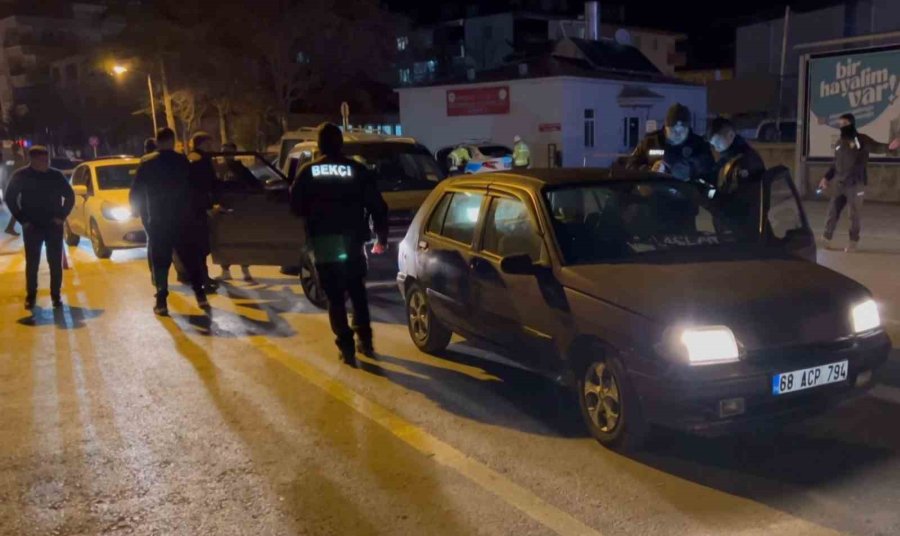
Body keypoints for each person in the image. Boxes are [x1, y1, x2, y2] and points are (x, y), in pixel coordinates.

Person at [290, 122, 389, 366]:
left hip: (324, 241)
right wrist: (381, 236)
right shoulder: (357, 169)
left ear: (319, 144)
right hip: (353, 239)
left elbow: (295, 207)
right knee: (357, 290)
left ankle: (346, 346)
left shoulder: (308, 171)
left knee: (334, 296)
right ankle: (365, 340)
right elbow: (377, 205)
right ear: (341, 144)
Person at [129, 127, 208, 315]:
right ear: (173, 141)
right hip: (182, 218)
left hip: (158, 219)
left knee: (160, 261)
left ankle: (162, 301)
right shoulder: (183, 161)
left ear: (157, 141)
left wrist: (135, 209)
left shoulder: (147, 162)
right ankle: (201, 295)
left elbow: (137, 190)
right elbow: (194, 188)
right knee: (190, 258)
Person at [4, 146, 75, 309]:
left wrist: (61, 216)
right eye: (42, 160)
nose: (46, 163)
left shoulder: (55, 175)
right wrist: (23, 220)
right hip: (32, 226)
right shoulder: (21, 176)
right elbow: (10, 197)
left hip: (53, 226)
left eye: (47, 159)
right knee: (32, 263)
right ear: (33, 160)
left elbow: (69, 196)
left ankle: (56, 296)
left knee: (55, 262)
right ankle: (31, 296)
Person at [818, 113, 900, 252]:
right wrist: (826, 177)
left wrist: (890, 147)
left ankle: (853, 242)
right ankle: (826, 239)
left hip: (855, 184)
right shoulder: (839, 143)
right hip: (839, 184)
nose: (841, 127)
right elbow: (835, 164)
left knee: (853, 215)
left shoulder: (861, 140)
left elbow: (877, 147)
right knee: (832, 212)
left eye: (844, 124)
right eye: (840, 125)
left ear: (851, 124)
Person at [626, 103, 716, 185]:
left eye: (683, 130)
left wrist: (691, 168)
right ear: (665, 127)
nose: (678, 134)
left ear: (688, 128)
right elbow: (630, 166)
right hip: (655, 195)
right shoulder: (650, 142)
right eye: (673, 130)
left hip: (687, 197)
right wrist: (650, 170)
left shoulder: (699, 144)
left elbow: (711, 169)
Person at [176, 132, 219, 292]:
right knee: (200, 246)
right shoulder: (197, 158)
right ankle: (203, 281)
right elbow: (205, 183)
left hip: (193, 207)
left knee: (200, 246)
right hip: (196, 208)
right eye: (209, 143)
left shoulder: (194, 158)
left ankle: (204, 278)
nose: (211, 147)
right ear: (203, 143)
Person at [217, 141, 259, 282]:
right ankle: (225, 270)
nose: (226, 154)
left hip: (240, 211)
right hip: (223, 211)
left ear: (235, 153)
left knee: (242, 240)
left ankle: (245, 270)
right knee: (224, 241)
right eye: (223, 151)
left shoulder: (241, 169)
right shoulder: (218, 169)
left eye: (229, 151)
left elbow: (256, 186)